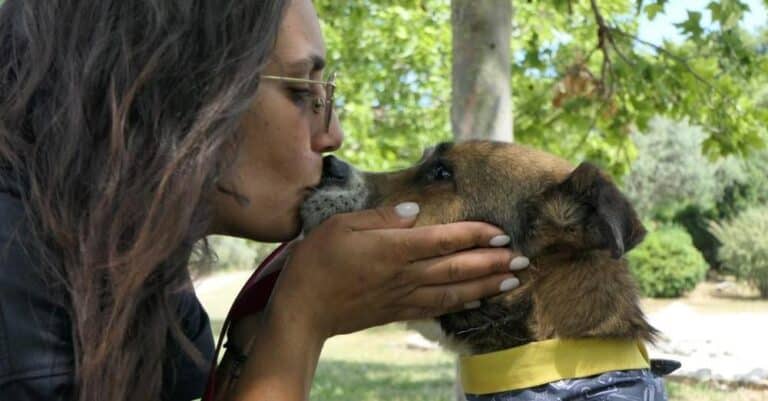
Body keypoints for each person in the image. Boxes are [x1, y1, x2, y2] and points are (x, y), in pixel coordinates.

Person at [0, 1, 529, 400]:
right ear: (178, 89)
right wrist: (301, 316)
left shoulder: (148, 281)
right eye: (303, 92)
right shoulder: (17, 278)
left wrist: (262, 321)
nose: (333, 135)